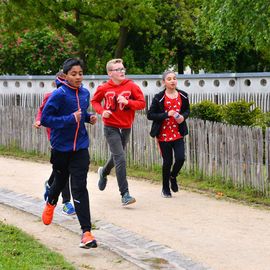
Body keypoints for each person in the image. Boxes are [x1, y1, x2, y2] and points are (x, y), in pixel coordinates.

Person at [41, 58, 98, 249]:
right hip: (61, 149)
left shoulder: (85, 93)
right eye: (73, 74)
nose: (78, 77)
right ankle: (51, 202)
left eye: (80, 73)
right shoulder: (58, 95)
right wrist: (70, 119)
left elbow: (82, 114)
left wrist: (89, 118)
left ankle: (86, 233)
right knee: (59, 181)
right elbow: (46, 119)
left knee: (79, 187)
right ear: (65, 76)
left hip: (80, 148)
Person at [91, 58, 146, 206]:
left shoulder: (132, 86)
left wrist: (128, 102)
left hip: (126, 126)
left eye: (123, 69)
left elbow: (142, 104)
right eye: (118, 69)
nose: (122, 71)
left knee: (117, 155)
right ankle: (125, 194)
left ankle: (104, 171)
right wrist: (102, 112)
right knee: (120, 157)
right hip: (110, 127)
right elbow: (94, 102)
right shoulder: (104, 87)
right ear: (110, 73)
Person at [34, 71, 75, 216]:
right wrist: (39, 120)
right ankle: (66, 202)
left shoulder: (74, 96)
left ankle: (50, 185)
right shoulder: (50, 96)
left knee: (62, 169)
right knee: (64, 169)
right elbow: (41, 111)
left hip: (70, 138)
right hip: (56, 138)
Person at [147, 71, 190, 198]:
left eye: (174, 78)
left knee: (181, 158)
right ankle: (165, 188)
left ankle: (173, 176)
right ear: (164, 82)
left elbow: (187, 110)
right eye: (169, 79)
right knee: (167, 162)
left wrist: (183, 117)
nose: (172, 81)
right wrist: (166, 114)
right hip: (163, 135)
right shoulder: (158, 97)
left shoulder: (183, 95)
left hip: (178, 133)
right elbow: (150, 115)